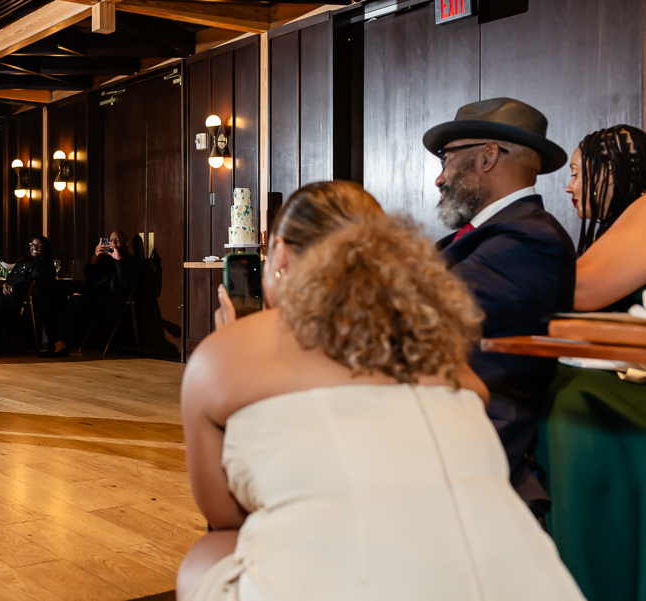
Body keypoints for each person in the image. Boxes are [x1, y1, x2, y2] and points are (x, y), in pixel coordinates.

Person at [177, 180, 583, 601]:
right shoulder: (439, 349)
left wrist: (234, 342)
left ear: (279, 252)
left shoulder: (228, 352)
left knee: (210, 551)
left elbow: (223, 515)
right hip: (524, 582)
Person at [422, 98, 577, 514]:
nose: (440, 178)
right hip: (432, 411)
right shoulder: (489, 234)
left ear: (488, 156)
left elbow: (419, 313)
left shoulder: (531, 238)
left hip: (474, 434)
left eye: (447, 158)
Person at [539, 125, 646, 601]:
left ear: (616, 170)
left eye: (579, 173)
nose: (569, 186)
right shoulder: (611, 229)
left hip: (622, 394)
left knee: (570, 407)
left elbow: (577, 292)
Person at [0, 236, 66, 355]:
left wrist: (21, 298)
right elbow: (11, 277)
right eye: (32, 244)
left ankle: (2, 343)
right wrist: (6, 284)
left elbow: (33, 283)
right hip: (21, 297)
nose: (34, 247)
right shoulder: (25, 261)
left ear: (45, 248)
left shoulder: (44, 263)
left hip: (35, 301)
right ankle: (2, 342)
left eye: (39, 245)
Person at [66, 231, 140, 347]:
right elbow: (89, 276)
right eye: (111, 240)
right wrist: (95, 256)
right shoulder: (105, 257)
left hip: (113, 299)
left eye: (117, 240)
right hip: (96, 294)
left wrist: (118, 260)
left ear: (125, 243)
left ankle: (65, 342)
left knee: (76, 301)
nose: (113, 243)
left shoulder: (131, 261)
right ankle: (65, 342)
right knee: (67, 299)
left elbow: (125, 284)